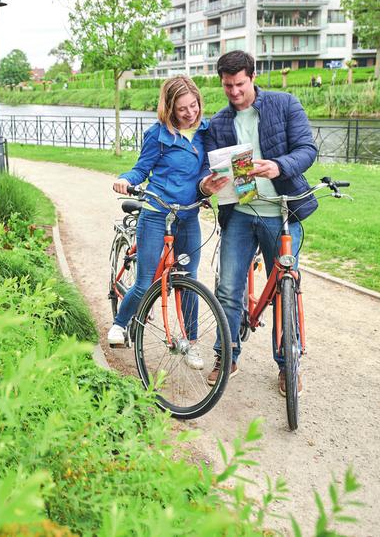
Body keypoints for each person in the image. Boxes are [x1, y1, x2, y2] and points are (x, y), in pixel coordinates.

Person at [199, 50, 318, 396]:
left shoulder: (284, 104)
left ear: (252, 77)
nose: (234, 92)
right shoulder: (220, 123)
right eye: (227, 86)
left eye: (239, 84)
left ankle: (287, 365)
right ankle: (227, 356)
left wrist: (279, 166)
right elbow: (207, 172)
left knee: (286, 291)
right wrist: (206, 185)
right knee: (228, 289)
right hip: (240, 214)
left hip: (281, 213)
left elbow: (307, 149)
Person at [106, 76, 211, 369]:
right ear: (169, 109)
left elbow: (208, 168)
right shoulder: (158, 135)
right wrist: (126, 179)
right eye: (182, 109)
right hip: (156, 214)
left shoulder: (205, 131)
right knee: (145, 282)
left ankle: (191, 342)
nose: (190, 113)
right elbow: (142, 168)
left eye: (194, 105)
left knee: (188, 280)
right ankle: (120, 324)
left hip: (188, 217)